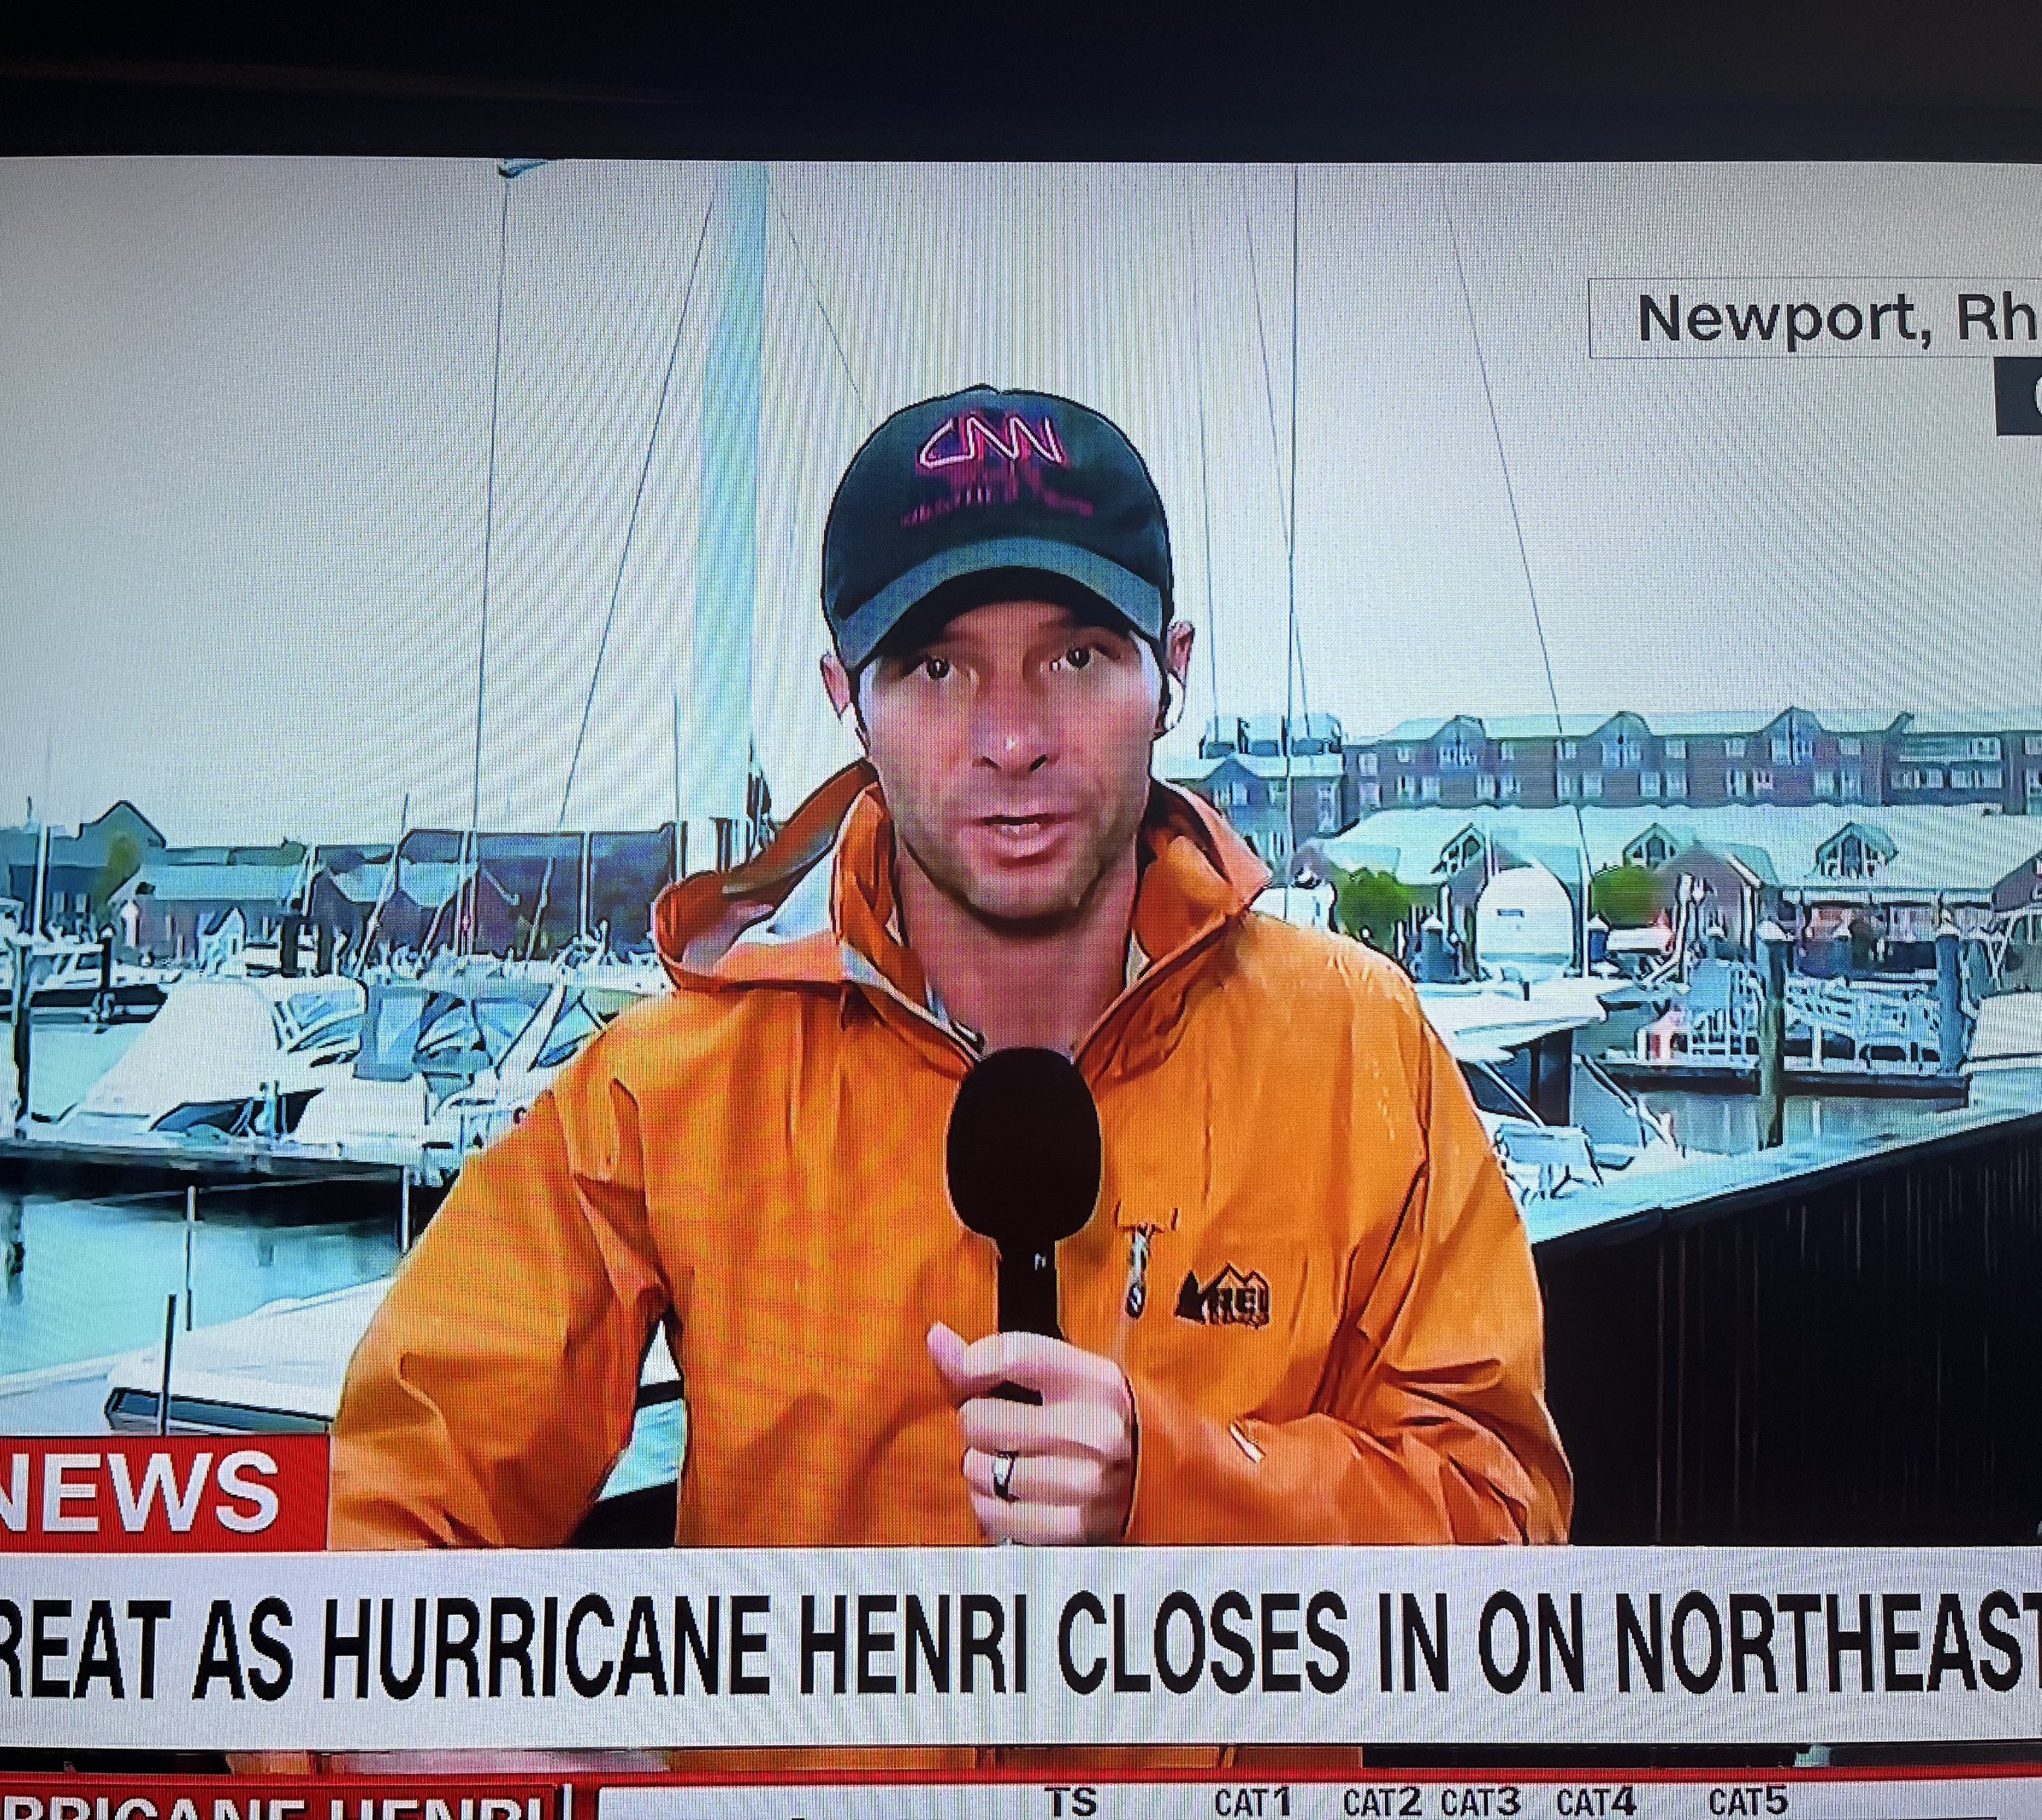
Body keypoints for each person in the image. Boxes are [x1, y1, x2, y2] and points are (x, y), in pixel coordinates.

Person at [329, 384, 1570, 1760]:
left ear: (1172, 670)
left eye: (1078, 656)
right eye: (934, 667)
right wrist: (423, 1751)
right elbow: (381, 1504)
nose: (1012, 736)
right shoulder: (664, 1091)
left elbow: (1500, 1541)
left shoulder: (1358, 1049)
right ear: (844, 699)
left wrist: (1180, 1485)